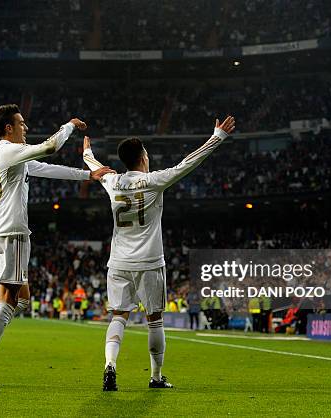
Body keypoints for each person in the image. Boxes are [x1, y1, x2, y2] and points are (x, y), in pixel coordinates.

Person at [83, 115, 235, 391]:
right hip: (150, 262)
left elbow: (94, 167)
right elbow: (188, 163)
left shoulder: (112, 182)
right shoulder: (154, 181)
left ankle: (110, 365)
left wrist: (86, 152)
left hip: (118, 262)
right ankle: (155, 377)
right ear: (142, 157)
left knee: (119, 316)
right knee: (155, 320)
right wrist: (217, 137)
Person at [0, 104, 113, 388]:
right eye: (21, 124)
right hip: (12, 233)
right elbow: (49, 148)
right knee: (8, 298)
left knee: (21, 299)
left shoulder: (10, 155)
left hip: (0, 232)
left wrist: (86, 176)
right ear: (9, 128)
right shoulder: (10, 151)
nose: (26, 128)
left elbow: (45, 168)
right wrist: (68, 125)